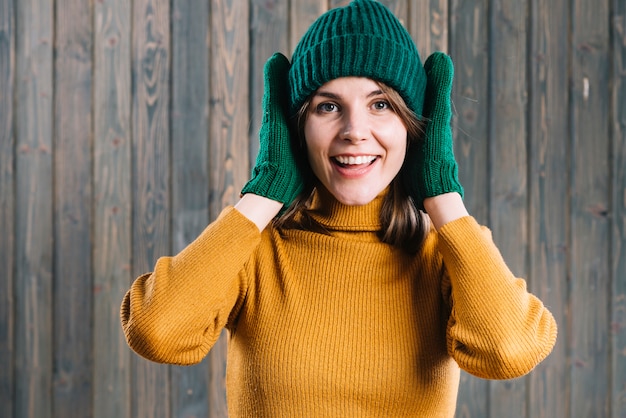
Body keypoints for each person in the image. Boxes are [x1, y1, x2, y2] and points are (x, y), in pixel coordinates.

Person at [120, 1, 557, 416]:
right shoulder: (253, 248)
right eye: (328, 106)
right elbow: (158, 332)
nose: (354, 131)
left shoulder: (447, 253)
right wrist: (265, 191)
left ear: (413, 125)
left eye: (380, 105)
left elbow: (508, 350)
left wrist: (442, 193)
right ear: (295, 128)